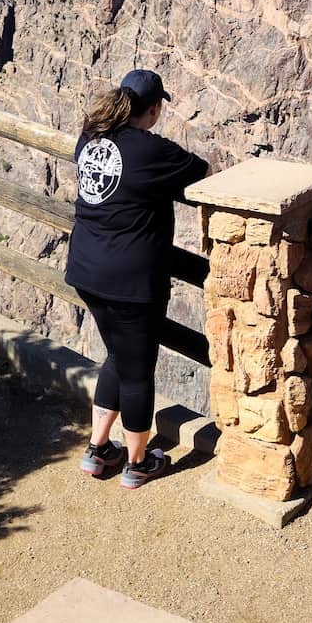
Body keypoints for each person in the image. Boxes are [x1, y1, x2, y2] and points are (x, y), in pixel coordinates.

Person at [65, 69, 208, 489]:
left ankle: (97, 449)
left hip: (87, 270)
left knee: (118, 355)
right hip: (130, 280)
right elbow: (197, 168)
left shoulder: (89, 138)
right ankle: (138, 462)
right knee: (138, 372)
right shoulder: (150, 150)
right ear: (154, 108)